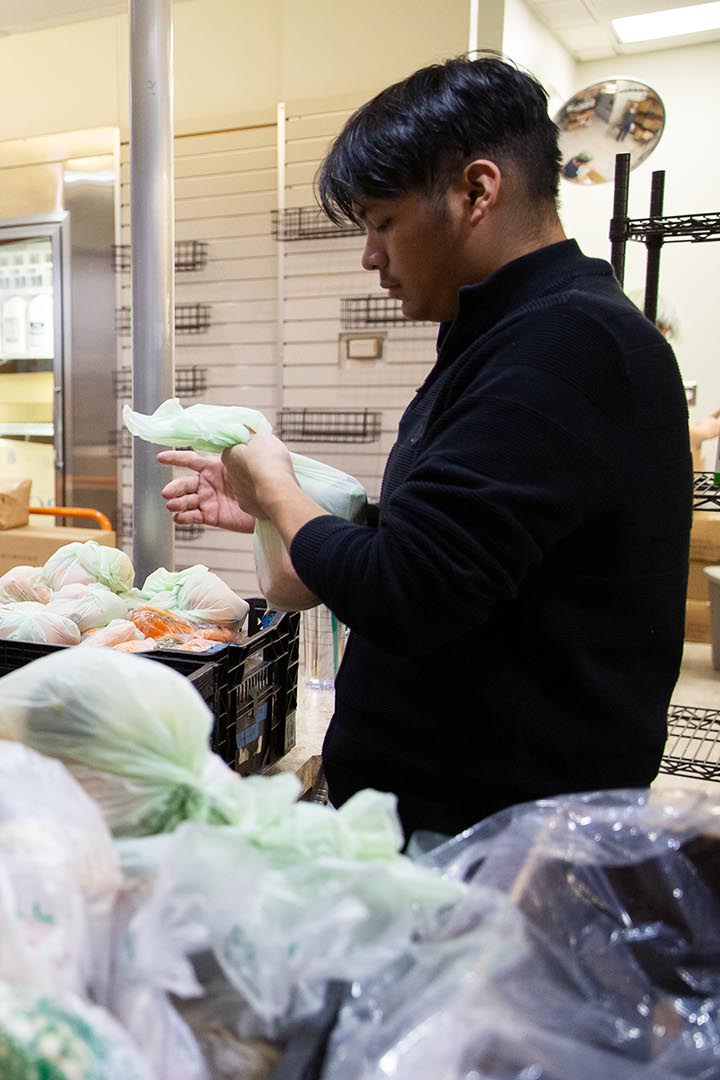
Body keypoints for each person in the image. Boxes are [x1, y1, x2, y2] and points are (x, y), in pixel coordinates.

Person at [157, 56, 687, 838]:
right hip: (455, 817)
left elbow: (408, 593)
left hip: (499, 837)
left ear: (477, 190)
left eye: (382, 222)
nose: (371, 256)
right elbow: (463, 553)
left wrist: (279, 492)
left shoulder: (567, 345)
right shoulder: (506, 335)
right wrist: (292, 514)